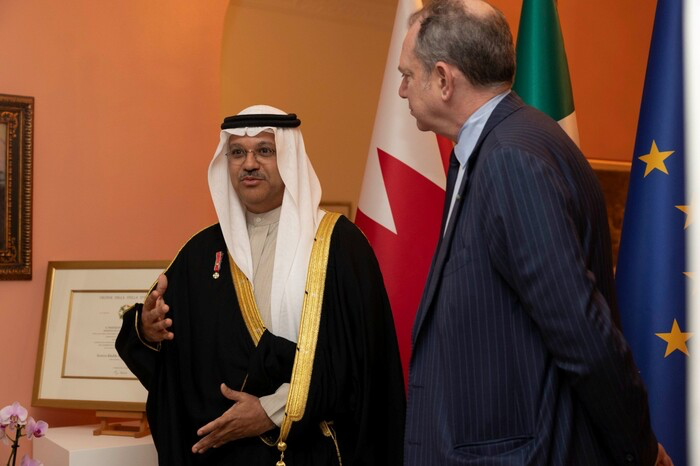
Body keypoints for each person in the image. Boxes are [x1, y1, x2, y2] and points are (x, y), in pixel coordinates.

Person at [398, 1, 672, 465]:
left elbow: (581, 330)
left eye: (408, 75)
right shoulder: (499, 145)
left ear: (444, 79)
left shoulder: (511, 159)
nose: (402, 90)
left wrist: (642, 452)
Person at [116, 105, 405, 465]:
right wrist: (148, 329)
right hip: (223, 457)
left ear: (289, 158)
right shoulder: (201, 252)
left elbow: (359, 359)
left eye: (264, 150)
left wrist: (272, 411)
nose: (249, 163)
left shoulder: (339, 244)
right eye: (237, 152)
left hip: (308, 451)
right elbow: (172, 364)